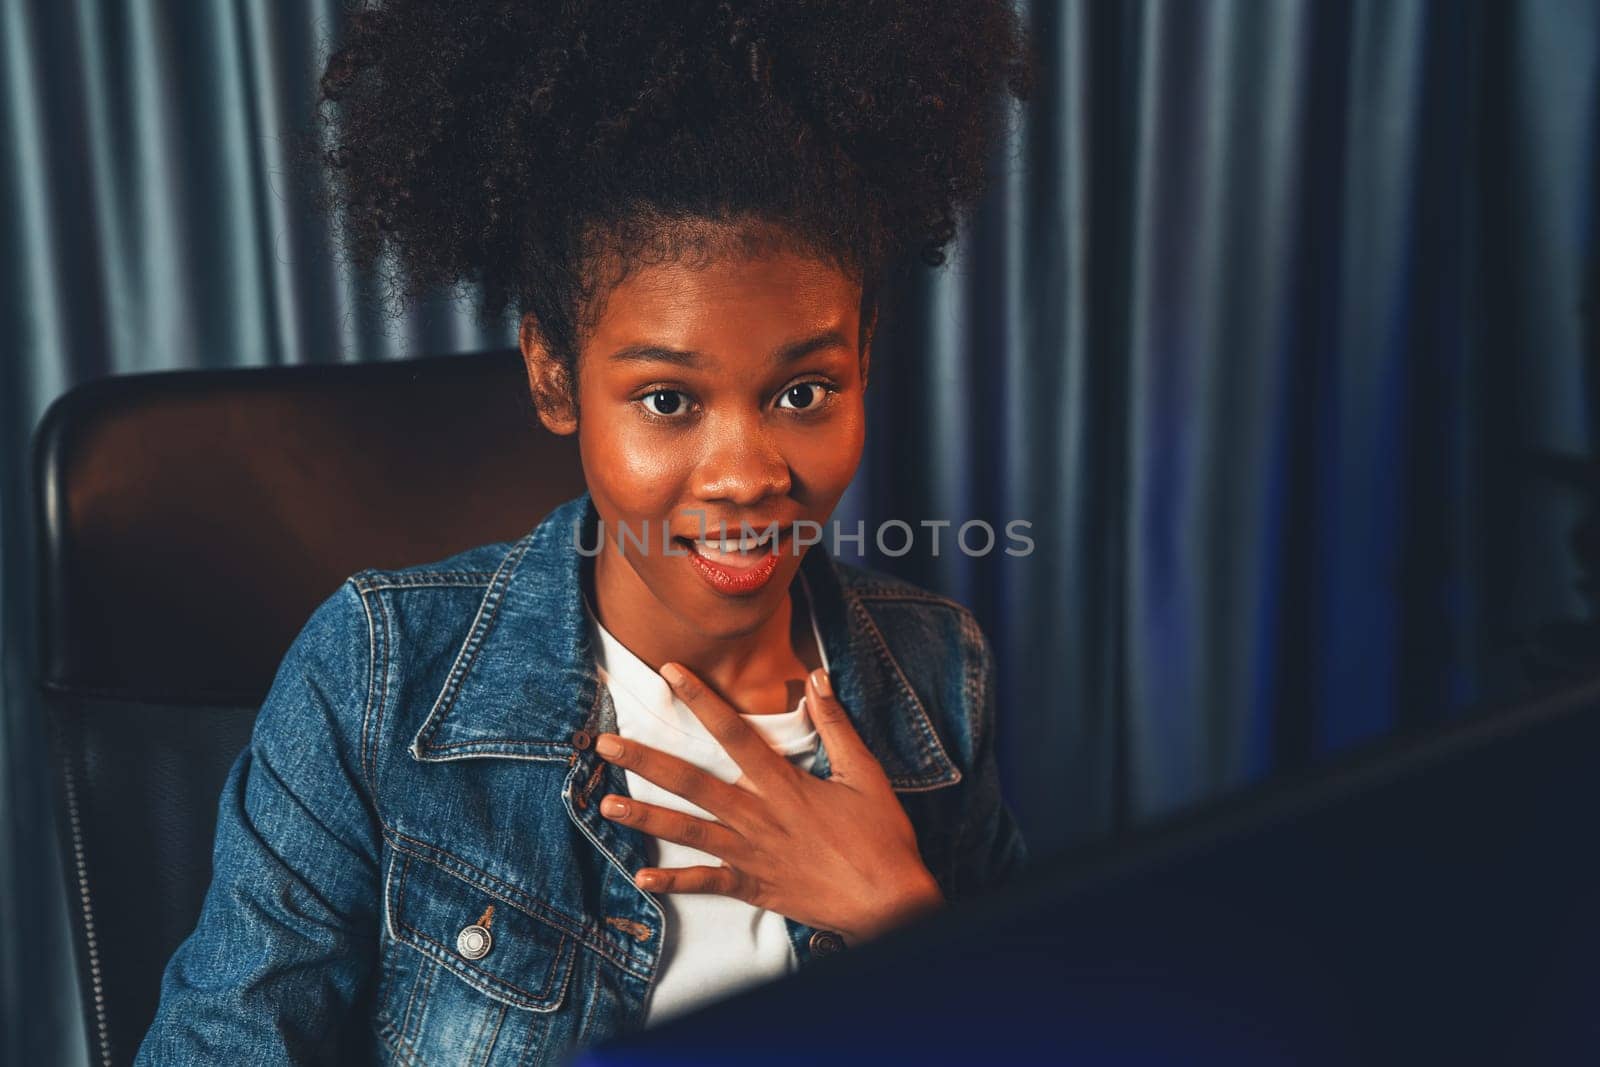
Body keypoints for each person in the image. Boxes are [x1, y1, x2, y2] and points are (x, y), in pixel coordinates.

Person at [135, 2, 1036, 1063]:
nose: (748, 473)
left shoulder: (934, 674)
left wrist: (902, 918)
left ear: (866, 358)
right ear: (552, 374)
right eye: (668, 400)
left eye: (804, 389)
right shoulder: (378, 675)